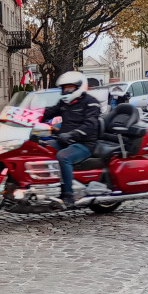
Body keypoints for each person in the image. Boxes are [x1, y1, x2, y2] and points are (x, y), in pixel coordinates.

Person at [40, 71, 101, 209]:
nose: (66, 90)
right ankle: (43, 186)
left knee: (63, 157)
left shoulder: (91, 103)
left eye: (69, 87)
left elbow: (91, 125)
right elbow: (48, 112)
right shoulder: (64, 103)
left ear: (79, 87)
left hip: (84, 144)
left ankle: (68, 194)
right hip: (64, 140)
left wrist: (72, 134)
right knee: (42, 149)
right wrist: (30, 115)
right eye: (64, 88)